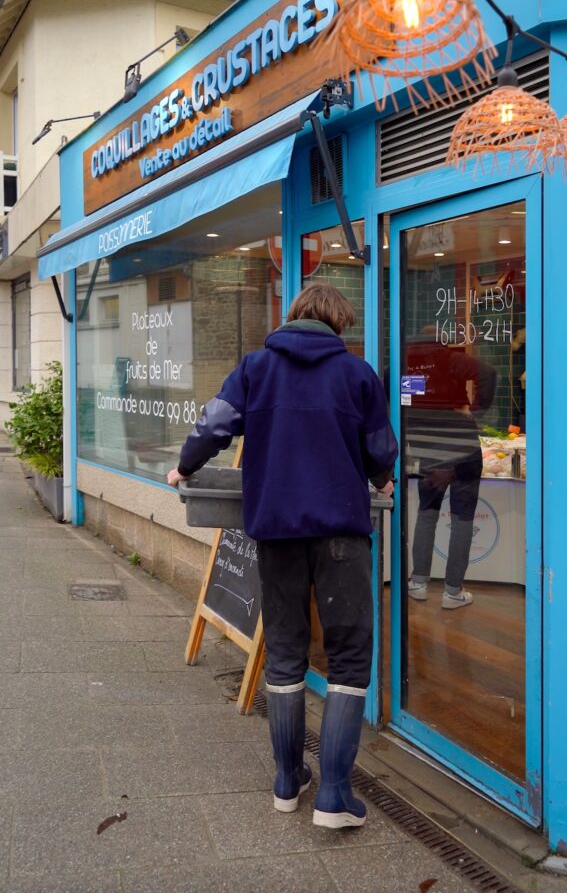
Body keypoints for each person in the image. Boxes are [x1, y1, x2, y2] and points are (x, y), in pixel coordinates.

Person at [167, 284, 398, 829]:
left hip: (276, 533)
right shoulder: (357, 375)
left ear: (293, 318)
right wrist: (382, 479)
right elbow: (381, 450)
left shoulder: (255, 368)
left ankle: (287, 781)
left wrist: (184, 466)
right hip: (342, 532)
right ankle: (335, 796)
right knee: (348, 656)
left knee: (287, 650)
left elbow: (215, 424)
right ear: (338, 324)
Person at [404, 334, 496, 609]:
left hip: (425, 445)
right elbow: (487, 372)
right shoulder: (448, 358)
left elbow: (393, 393)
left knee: (427, 511)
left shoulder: (404, 362)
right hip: (460, 443)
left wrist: (408, 418)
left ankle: (418, 583)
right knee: (462, 516)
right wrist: (477, 409)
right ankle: (453, 591)